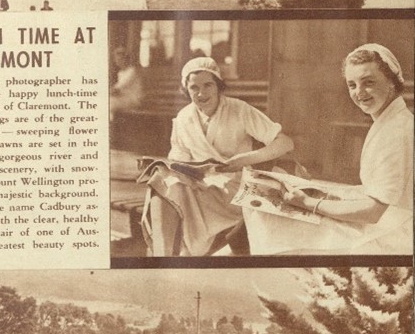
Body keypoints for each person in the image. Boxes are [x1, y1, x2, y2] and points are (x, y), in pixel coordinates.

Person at [141, 56, 295, 256]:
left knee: (168, 190)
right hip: (198, 186)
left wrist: (245, 160)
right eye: (194, 87)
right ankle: (163, 257)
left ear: (218, 86)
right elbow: (178, 160)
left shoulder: (239, 109)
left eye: (208, 85)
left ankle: (171, 255)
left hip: (235, 188)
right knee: (162, 180)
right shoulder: (183, 118)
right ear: (186, 89)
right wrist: (186, 171)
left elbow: (285, 143)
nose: (201, 93)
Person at [278, 44, 413, 254]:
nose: (359, 93)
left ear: (392, 83)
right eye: (352, 84)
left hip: (393, 236)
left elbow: (372, 212)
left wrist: (309, 202)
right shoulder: (391, 121)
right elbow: (375, 193)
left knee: (278, 225)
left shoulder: (396, 131)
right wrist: (323, 190)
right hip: (389, 223)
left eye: (368, 82)